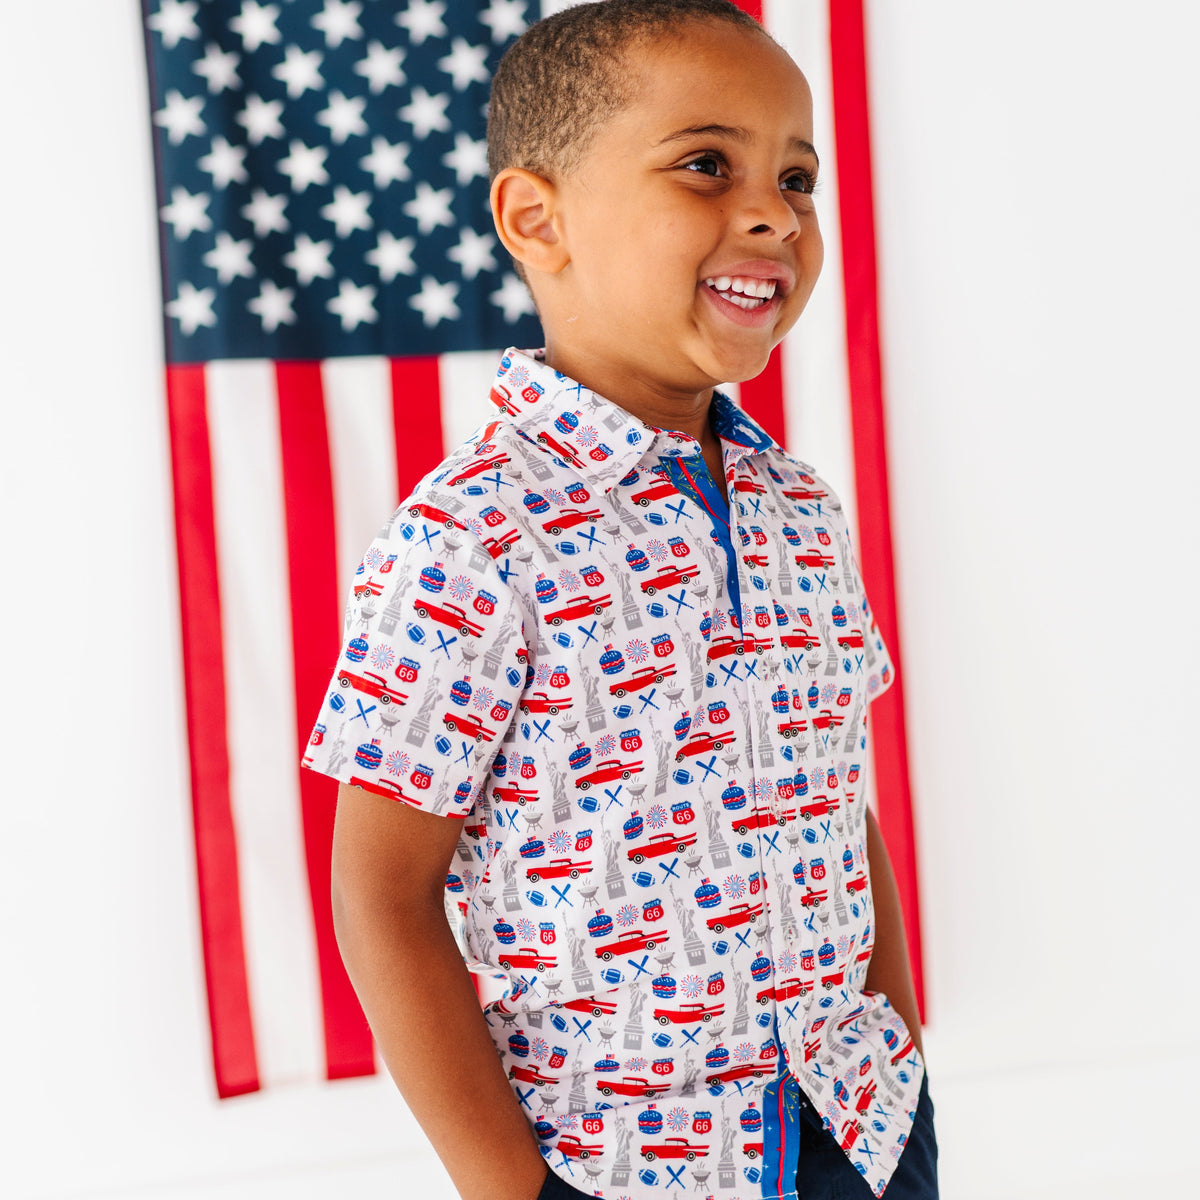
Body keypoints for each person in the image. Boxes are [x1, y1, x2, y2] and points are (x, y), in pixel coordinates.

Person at [304, 2, 938, 1197]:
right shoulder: (472, 535)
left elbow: (836, 795)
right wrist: (512, 1188)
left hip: (865, 1119)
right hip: (625, 1164)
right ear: (537, 220)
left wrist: (897, 1033)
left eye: (796, 178)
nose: (772, 213)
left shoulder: (801, 509)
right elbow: (380, 894)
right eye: (708, 165)